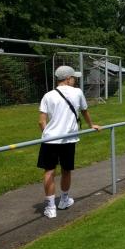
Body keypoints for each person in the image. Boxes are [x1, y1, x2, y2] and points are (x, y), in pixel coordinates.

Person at [38, 66, 101, 218]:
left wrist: (48, 134)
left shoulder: (48, 95)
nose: (75, 80)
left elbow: (41, 121)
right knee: (66, 170)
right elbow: (85, 111)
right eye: (73, 78)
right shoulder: (77, 92)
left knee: (49, 171)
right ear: (67, 79)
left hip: (50, 139)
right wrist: (91, 125)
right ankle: (64, 200)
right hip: (68, 139)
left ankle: (51, 208)